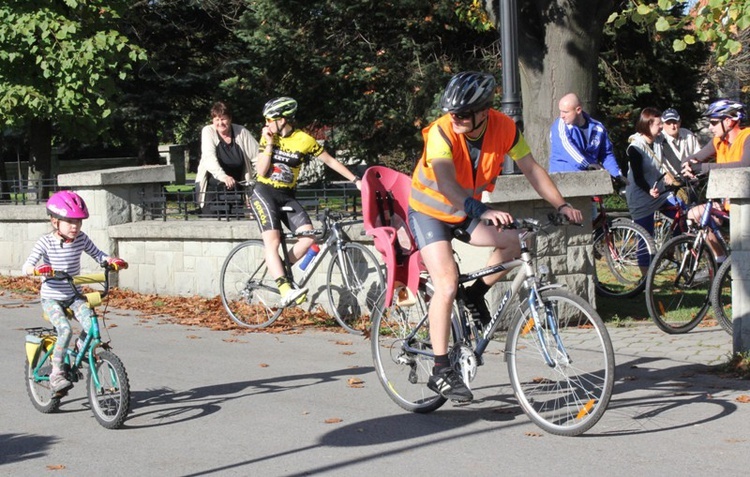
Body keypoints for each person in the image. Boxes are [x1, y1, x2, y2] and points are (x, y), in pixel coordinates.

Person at [408, 72, 583, 402]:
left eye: (461, 114)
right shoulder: (441, 132)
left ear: (483, 111)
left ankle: (475, 295)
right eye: (452, 112)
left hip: (462, 212)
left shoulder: (504, 128)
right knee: (446, 282)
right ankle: (441, 370)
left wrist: (561, 203)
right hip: (429, 212)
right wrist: (481, 210)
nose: (454, 118)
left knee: (515, 241)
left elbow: (531, 168)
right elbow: (446, 183)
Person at [250, 97, 362, 306]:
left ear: (282, 119)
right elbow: (261, 171)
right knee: (272, 242)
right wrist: (269, 144)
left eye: (269, 119)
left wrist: (355, 180)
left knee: (309, 237)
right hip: (263, 192)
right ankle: (285, 289)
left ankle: (279, 270)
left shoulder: (304, 140)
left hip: (286, 194)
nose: (266, 124)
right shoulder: (267, 136)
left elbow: (329, 161)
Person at [22, 191, 128, 394]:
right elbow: (26, 266)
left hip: (73, 296)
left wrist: (111, 261)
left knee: (92, 325)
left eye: (78, 222)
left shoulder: (81, 239)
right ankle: (56, 374)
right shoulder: (46, 242)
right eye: (70, 221)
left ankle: (79, 351)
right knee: (65, 329)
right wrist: (36, 270)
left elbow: (98, 254)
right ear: (55, 222)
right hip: (52, 298)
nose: (75, 227)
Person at [681, 99, 750, 263]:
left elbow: (744, 165)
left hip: (746, 204)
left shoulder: (747, 137)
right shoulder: (719, 141)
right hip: (729, 202)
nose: (710, 127)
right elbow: (694, 158)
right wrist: (688, 166)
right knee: (694, 214)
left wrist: (703, 168)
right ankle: (721, 259)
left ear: (728, 121)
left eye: (713, 122)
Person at [624, 108, 675, 271]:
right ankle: (645, 281)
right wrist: (648, 190)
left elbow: (674, 160)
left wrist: (684, 172)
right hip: (641, 195)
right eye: (659, 124)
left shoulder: (660, 140)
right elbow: (637, 176)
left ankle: (672, 247)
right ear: (647, 125)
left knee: (683, 214)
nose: (662, 127)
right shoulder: (635, 148)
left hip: (660, 193)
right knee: (645, 239)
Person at [195, 102, 259, 215]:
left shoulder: (242, 132)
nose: (220, 123)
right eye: (217, 120)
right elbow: (209, 157)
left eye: (223, 119)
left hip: (236, 187)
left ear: (230, 119)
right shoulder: (208, 131)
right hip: (213, 188)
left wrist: (260, 177)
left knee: (237, 220)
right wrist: (223, 176)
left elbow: (258, 158)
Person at [548, 93, 627, 184]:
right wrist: (587, 165)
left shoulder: (598, 128)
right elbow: (567, 149)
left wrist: (616, 174)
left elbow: (606, 153)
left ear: (578, 110)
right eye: (560, 111)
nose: (561, 115)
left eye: (565, 112)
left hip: (589, 181)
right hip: (563, 181)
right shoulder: (560, 126)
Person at [656, 107, 702, 200]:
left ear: (679, 122)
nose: (672, 126)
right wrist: (666, 175)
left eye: (675, 122)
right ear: (663, 124)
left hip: (690, 183)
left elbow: (698, 156)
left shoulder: (688, 135)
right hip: (669, 186)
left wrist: (694, 169)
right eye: (668, 123)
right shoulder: (658, 138)